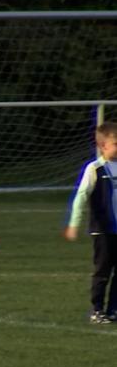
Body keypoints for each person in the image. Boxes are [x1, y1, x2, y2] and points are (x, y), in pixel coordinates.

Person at [64, 121, 117, 323]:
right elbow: (81, 196)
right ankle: (97, 310)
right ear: (103, 146)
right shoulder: (94, 169)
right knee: (103, 271)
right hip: (103, 230)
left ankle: (113, 309)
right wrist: (74, 224)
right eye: (116, 144)